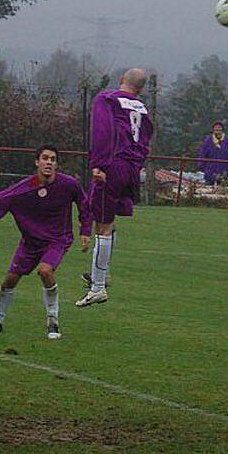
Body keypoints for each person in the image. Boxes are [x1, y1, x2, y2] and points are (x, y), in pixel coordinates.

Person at [0, 146, 91, 339]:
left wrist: (85, 230)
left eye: (53, 159)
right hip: (30, 242)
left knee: (45, 271)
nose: (49, 162)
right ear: (37, 162)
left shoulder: (69, 184)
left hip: (57, 240)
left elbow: (84, 204)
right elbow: (0, 202)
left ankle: (53, 322)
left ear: (56, 164)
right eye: (45, 158)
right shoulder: (25, 188)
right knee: (9, 281)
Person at [76, 68, 153, 307]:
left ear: (122, 80)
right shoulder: (142, 107)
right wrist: (136, 166)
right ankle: (103, 273)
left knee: (103, 223)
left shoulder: (107, 99)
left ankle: (97, 287)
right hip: (132, 168)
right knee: (107, 220)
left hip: (113, 165)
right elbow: (147, 138)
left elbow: (102, 131)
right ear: (140, 88)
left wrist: (99, 164)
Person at [198, 121, 228, 185]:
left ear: (222, 130)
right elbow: (202, 153)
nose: (218, 130)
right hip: (210, 169)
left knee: (222, 188)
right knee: (208, 188)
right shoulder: (208, 140)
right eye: (216, 129)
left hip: (224, 168)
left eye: (219, 128)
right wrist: (201, 166)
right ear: (213, 130)